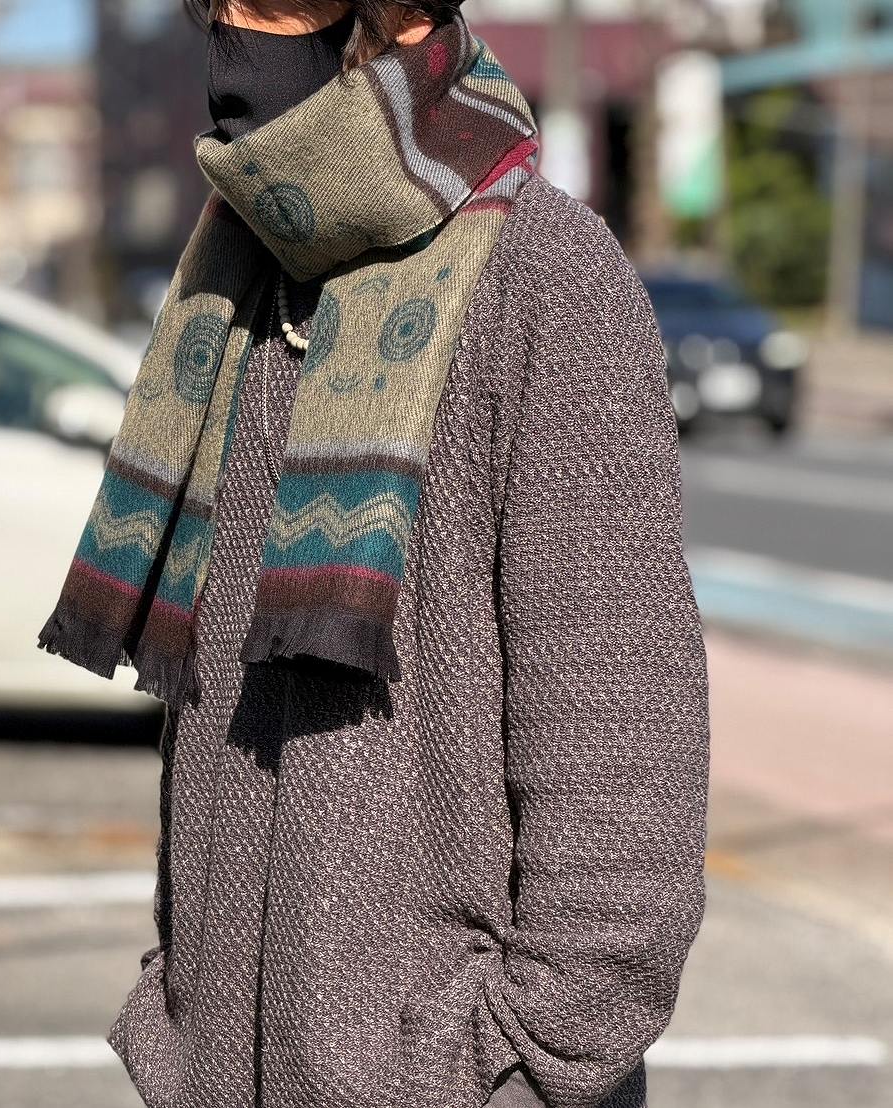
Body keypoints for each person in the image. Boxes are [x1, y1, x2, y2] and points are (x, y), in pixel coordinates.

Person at [36, 1, 712, 1106]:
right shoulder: (241, 273)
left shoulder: (548, 278)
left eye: (269, 0)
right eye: (213, 5)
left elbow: (621, 773)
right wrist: (179, 1011)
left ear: (395, 16)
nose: (229, 35)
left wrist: (504, 1068)